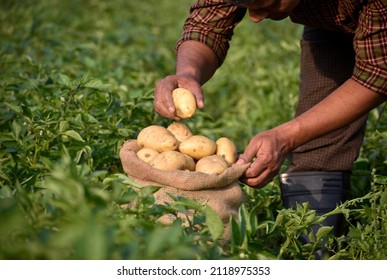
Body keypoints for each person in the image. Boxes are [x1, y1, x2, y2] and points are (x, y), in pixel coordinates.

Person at [153, 0, 387, 251]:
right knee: (316, 139)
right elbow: (207, 24)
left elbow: (378, 73)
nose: (254, 18)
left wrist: (285, 136)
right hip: (331, 22)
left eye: (269, 3)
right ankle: (313, 253)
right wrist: (188, 73)